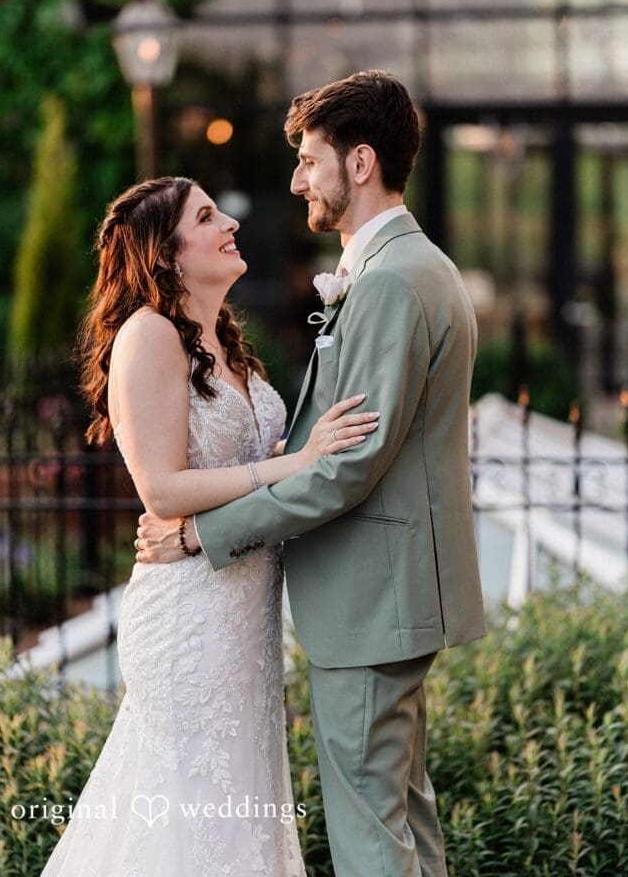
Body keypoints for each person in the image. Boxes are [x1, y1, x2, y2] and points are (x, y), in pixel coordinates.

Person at [138, 71, 487, 877]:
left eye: (308, 160)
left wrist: (200, 536)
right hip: (383, 597)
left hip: (373, 600)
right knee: (400, 823)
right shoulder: (400, 269)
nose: (297, 180)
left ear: (359, 163)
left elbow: (344, 471)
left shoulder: (394, 281)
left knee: (371, 838)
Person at [39, 175, 381, 877]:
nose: (229, 220)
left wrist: (292, 458)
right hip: (188, 619)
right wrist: (295, 465)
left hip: (244, 622)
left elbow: (251, 464)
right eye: (204, 215)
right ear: (165, 255)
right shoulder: (148, 336)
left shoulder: (221, 339)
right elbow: (161, 489)